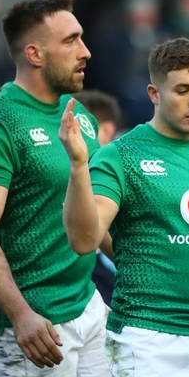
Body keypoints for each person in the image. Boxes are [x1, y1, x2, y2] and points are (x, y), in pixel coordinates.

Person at [0, 0, 122, 377]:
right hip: (28, 326)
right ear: (34, 54)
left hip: (86, 308)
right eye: (71, 41)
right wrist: (20, 314)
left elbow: (98, 220)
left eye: (82, 38)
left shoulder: (80, 117)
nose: (86, 51)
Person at [60, 38, 189, 377]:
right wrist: (79, 166)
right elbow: (84, 240)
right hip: (146, 336)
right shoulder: (121, 155)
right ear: (154, 93)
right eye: (183, 90)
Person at [72, 89, 123, 305]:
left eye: (82, 128)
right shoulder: (67, 173)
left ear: (108, 130)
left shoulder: (126, 173)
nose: (72, 136)